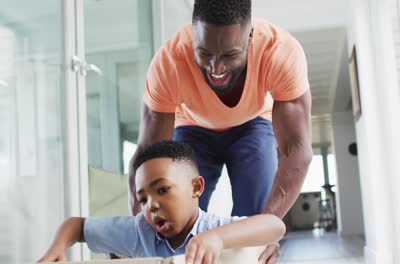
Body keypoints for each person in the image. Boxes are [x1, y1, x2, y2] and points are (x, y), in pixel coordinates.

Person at [129, 0, 312, 261]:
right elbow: (146, 159)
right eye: (204, 53)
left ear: (250, 37)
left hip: (253, 124)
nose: (216, 68)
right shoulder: (169, 62)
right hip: (192, 128)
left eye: (228, 55)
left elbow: (297, 151)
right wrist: (139, 239)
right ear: (193, 36)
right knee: (175, 218)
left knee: (252, 225)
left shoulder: (279, 52)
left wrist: (263, 232)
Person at [37, 141, 285, 263]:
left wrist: (219, 239)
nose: (151, 206)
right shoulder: (137, 232)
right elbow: (77, 226)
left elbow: (274, 226)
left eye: (163, 189)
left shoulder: (215, 229)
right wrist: (56, 249)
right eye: (142, 199)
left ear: (196, 187)